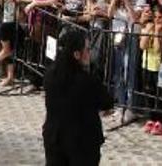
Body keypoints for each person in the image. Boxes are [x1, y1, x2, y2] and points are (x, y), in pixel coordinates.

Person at [42, 29, 114, 166]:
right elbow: (107, 102)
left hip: (54, 137)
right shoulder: (87, 81)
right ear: (76, 54)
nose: (89, 53)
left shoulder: (50, 75)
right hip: (82, 142)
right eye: (87, 50)